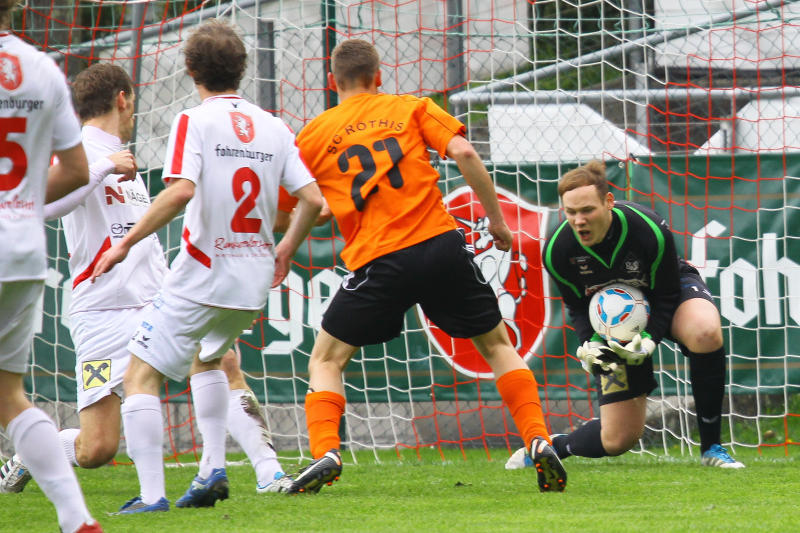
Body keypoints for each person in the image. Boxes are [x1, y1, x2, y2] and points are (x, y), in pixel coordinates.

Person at [290, 38, 566, 494]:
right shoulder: (411, 107)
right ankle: (537, 439)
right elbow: (466, 153)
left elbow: (302, 206)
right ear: (379, 77)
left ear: (332, 82)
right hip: (439, 245)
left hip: (378, 258)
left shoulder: (312, 136)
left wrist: (289, 242)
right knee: (497, 345)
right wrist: (497, 222)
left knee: (326, 358)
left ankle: (327, 452)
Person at [89, 19, 323, 513]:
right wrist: (285, 249)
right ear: (242, 68)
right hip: (253, 279)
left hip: (202, 271)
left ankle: (151, 496)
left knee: (139, 375)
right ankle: (212, 469)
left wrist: (124, 244)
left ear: (192, 69)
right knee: (210, 359)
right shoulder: (274, 126)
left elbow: (180, 191)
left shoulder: (193, 121)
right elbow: (314, 201)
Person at [533, 159, 744, 468]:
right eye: (571, 212)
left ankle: (712, 448)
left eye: (587, 210)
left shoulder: (647, 229)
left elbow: (667, 293)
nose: (579, 221)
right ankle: (550, 447)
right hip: (614, 325)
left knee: (705, 330)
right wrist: (590, 343)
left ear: (608, 202)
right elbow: (577, 305)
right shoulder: (557, 250)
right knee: (617, 439)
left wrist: (648, 340)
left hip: (666, 294)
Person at [0, 2, 103, 531]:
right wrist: (15, 204)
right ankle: (76, 518)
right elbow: (77, 169)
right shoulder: (42, 67)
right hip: (22, 248)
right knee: (8, 395)